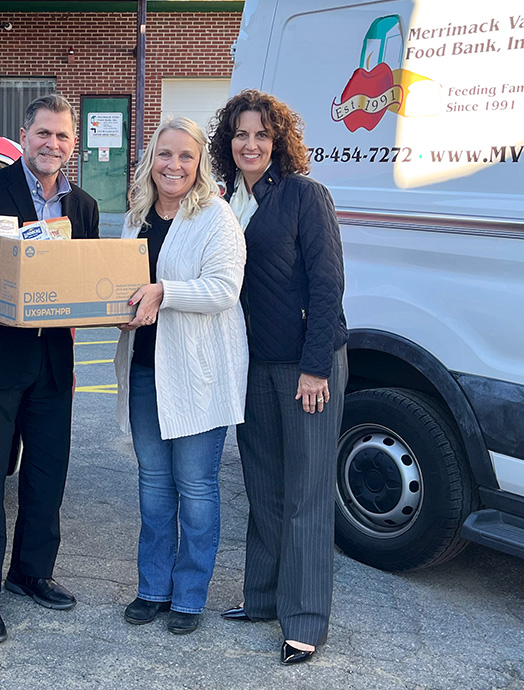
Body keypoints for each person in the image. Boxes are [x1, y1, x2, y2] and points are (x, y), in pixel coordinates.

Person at [0, 94, 100, 644]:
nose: (52, 145)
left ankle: (31, 572)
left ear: (71, 145)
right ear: (23, 135)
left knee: (47, 474)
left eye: (62, 137)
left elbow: (84, 277)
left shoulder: (83, 206)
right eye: (43, 134)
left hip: (54, 361)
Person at [209, 89, 348, 665]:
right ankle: (262, 598)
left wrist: (316, 367)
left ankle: (305, 620)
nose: (250, 144)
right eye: (241, 134)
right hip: (252, 365)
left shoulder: (304, 195)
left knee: (306, 495)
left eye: (262, 135)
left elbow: (327, 286)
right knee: (263, 488)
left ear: (279, 141)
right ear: (228, 142)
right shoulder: (222, 202)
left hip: (305, 367)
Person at [112, 117, 247, 635]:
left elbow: (223, 289)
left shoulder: (216, 217)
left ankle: (189, 594)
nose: (174, 165)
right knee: (153, 486)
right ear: (151, 159)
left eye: (185, 157)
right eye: (165, 154)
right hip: (146, 370)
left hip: (197, 376)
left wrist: (164, 292)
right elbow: (124, 285)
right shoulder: (137, 216)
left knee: (195, 488)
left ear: (200, 164)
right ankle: (152, 588)